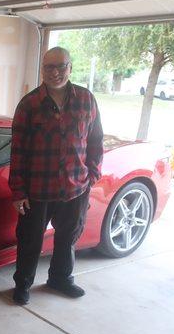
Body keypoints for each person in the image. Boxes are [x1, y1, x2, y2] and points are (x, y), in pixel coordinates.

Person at [8, 46, 104, 305]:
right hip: (37, 189)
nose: (55, 72)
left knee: (68, 237)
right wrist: (17, 191)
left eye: (61, 66)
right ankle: (23, 285)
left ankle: (60, 279)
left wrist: (91, 175)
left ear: (70, 67)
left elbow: (96, 141)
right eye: (49, 67)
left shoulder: (86, 99)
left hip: (76, 187)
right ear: (42, 70)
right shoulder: (29, 105)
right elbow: (17, 151)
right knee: (30, 240)